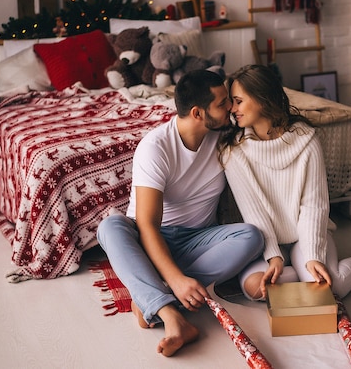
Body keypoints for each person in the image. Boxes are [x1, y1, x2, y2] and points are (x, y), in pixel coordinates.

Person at [97, 69, 264, 357]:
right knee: (110, 227)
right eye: (223, 103)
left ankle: (149, 295)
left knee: (250, 236)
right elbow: (147, 225)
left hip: (198, 240)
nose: (230, 109)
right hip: (149, 240)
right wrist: (175, 278)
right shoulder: (156, 147)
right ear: (198, 113)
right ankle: (171, 314)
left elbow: (263, 123)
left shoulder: (224, 135)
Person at [218, 64, 351, 301]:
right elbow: (254, 212)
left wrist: (313, 256)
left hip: (305, 235)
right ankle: (301, 274)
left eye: (238, 101)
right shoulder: (233, 151)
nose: (232, 109)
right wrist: (274, 257)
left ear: (262, 100)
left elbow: (314, 204)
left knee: (330, 286)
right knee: (256, 288)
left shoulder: (306, 140)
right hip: (264, 241)